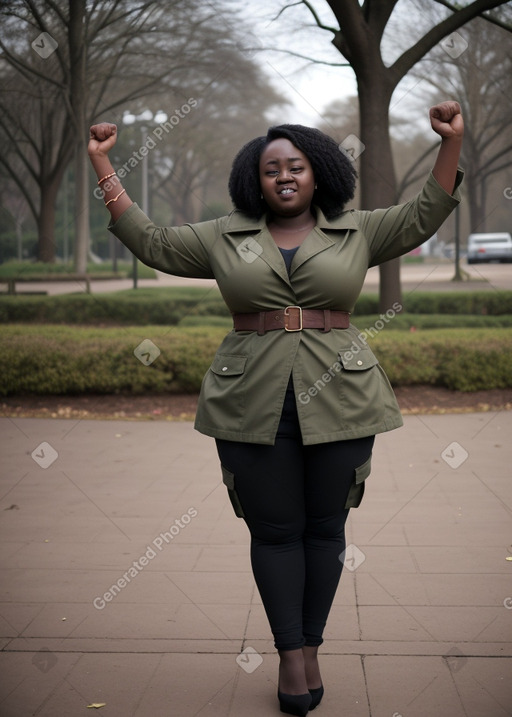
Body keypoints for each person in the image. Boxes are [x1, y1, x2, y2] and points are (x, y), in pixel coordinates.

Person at [88, 101, 463, 715]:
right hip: (249, 402)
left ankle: (311, 644)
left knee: (327, 530)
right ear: (254, 181)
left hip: (342, 399)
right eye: (270, 170)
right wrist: (104, 164)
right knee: (276, 531)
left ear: (317, 173)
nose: (284, 176)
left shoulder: (359, 229)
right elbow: (151, 242)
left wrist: (451, 143)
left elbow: (426, 213)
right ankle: (292, 656)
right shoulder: (222, 235)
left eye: (295, 166)